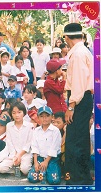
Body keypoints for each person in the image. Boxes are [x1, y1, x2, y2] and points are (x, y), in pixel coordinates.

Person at [63, 23, 94, 185]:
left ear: (67, 37)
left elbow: (79, 83)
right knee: (80, 139)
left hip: (79, 99)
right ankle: (82, 177)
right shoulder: (84, 51)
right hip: (84, 98)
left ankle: (77, 178)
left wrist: (71, 106)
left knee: (74, 140)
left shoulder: (78, 54)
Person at [27, 106, 61, 185]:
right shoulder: (36, 130)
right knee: (32, 178)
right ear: (38, 117)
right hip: (40, 158)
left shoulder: (55, 131)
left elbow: (54, 147)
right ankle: (44, 172)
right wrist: (35, 162)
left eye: (47, 116)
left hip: (52, 159)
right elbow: (34, 146)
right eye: (41, 116)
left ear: (52, 117)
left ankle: (49, 170)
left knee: (54, 180)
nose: (44, 119)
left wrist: (46, 162)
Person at [0, 102, 33, 176]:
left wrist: (19, 155)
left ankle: (21, 167)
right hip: (14, 153)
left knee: (25, 170)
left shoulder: (29, 126)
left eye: (19, 112)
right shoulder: (9, 125)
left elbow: (29, 144)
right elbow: (9, 142)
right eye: (14, 113)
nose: (17, 115)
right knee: (1, 168)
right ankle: (16, 168)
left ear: (24, 113)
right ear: (11, 114)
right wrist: (15, 155)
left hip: (25, 153)